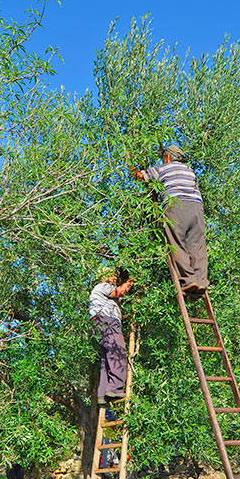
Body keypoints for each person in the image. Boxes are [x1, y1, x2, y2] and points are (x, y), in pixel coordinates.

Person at [130, 144, 209, 292]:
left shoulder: (163, 168)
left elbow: (141, 176)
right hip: (196, 207)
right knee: (197, 246)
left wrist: (130, 164)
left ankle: (189, 280)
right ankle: (201, 281)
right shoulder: (189, 170)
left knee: (176, 242)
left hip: (176, 205)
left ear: (167, 157)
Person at [89, 266, 134, 404]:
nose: (114, 278)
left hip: (99, 324)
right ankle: (115, 389)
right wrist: (131, 281)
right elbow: (120, 291)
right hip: (107, 322)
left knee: (106, 360)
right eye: (111, 276)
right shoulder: (103, 286)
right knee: (118, 353)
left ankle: (102, 394)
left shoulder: (104, 293)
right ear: (103, 278)